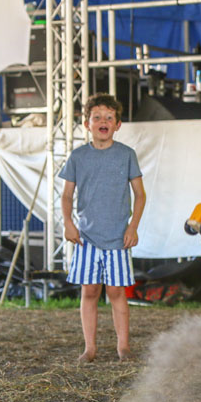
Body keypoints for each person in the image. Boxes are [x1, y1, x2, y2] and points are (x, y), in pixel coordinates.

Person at [61, 93, 146, 363]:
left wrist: (133, 227)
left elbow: (140, 195)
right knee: (89, 291)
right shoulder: (77, 157)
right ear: (87, 123)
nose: (103, 121)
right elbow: (66, 196)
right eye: (97, 117)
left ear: (118, 125)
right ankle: (90, 348)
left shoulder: (126, 155)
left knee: (116, 291)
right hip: (86, 238)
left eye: (109, 117)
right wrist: (68, 223)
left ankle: (123, 347)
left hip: (118, 238)